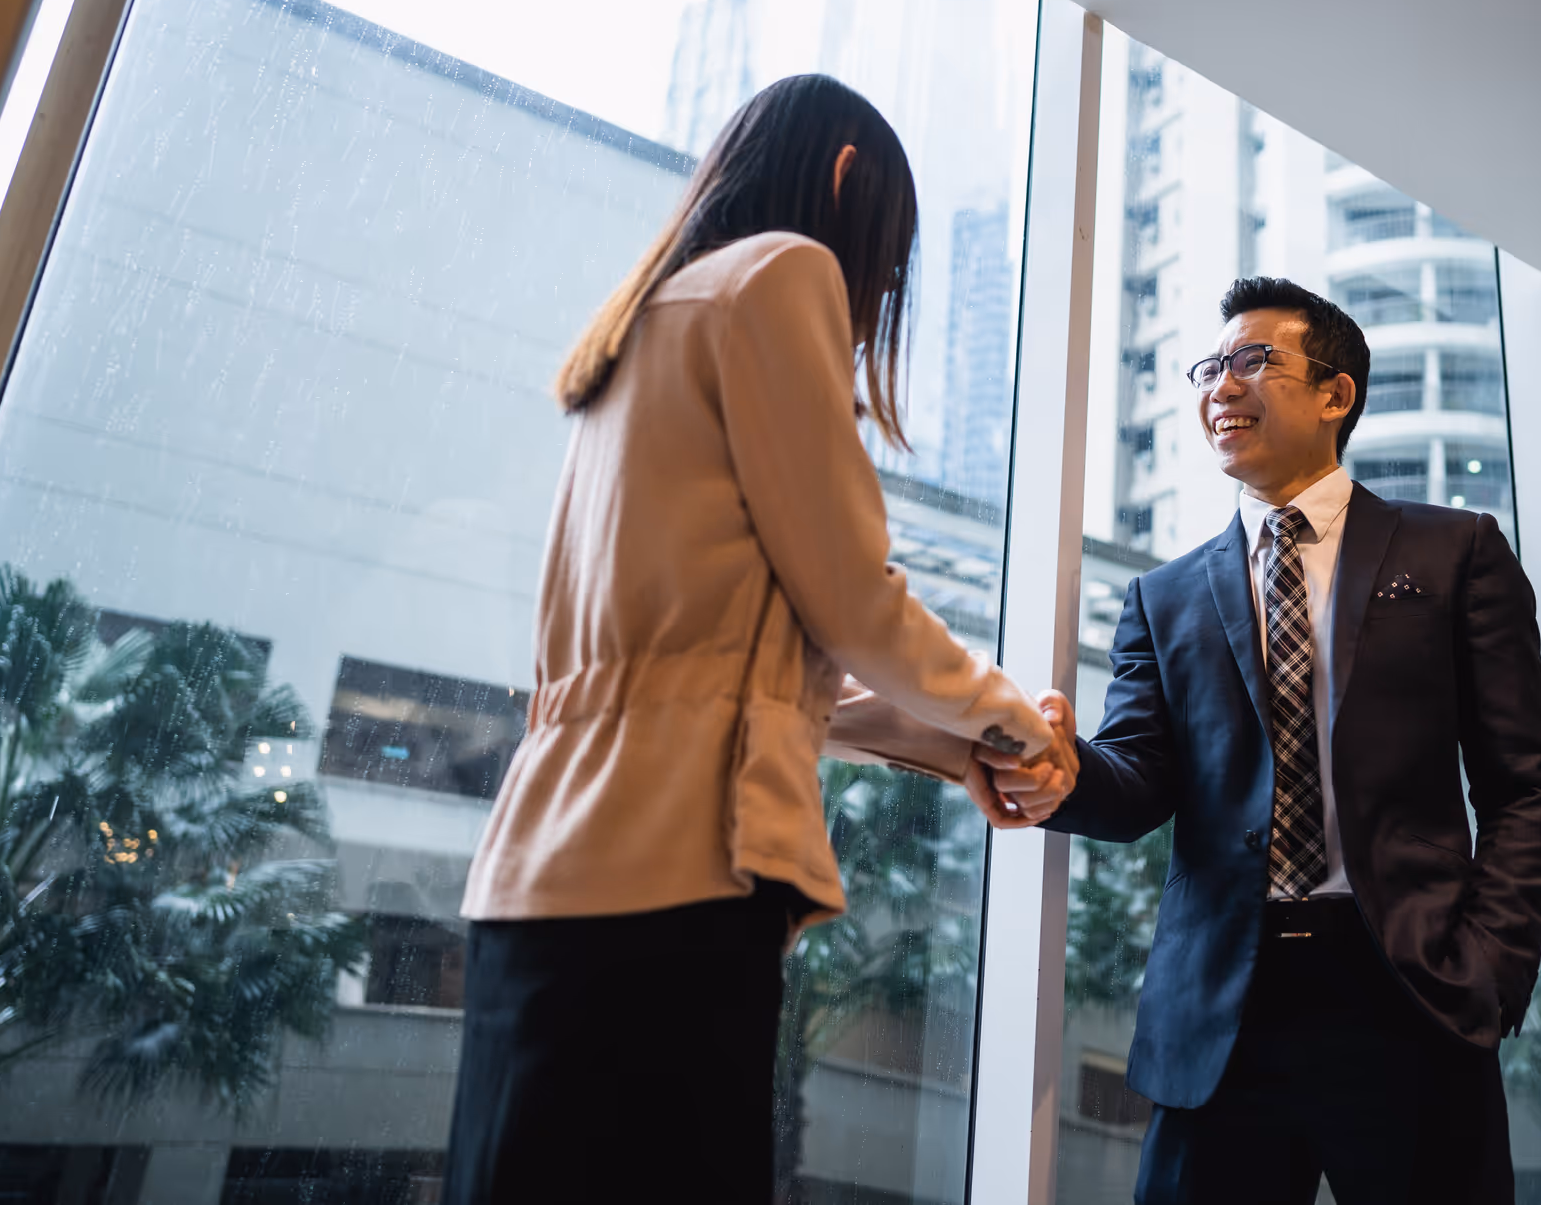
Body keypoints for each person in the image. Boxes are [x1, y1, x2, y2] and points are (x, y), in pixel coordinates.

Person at [443, 74, 1076, 1203]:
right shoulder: (785, 272)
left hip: (540, 882)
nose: (871, 288)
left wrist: (962, 745)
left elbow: (751, 679)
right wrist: (1015, 718)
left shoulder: (642, 326)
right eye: (886, 257)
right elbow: (852, 600)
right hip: (678, 880)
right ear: (846, 178)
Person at [1030, 276, 1541, 1203]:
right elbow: (1137, 787)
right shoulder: (1162, 598)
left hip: (1411, 993)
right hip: (1222, 1014)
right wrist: (1060, 770)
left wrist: (1488, 967)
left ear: (1335, 395)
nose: (1220, 388)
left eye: (1253, 362)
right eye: (1210, 368)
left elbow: (1525, 790)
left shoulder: (1456, 553)